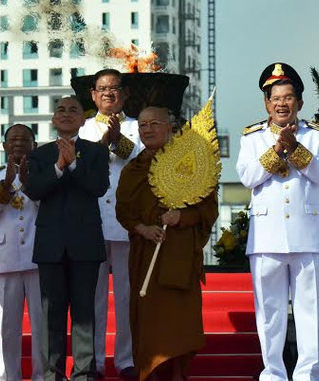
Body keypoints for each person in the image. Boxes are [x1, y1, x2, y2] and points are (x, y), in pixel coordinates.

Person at [236, 62, 319, 381]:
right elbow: (248, 177)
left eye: (288, 97)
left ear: (299, 102)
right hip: (267, 237)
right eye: (275, 98)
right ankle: (274, 374)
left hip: (307, 235)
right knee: (270, 314)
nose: (281, 104)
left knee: (309, 313)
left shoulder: (316, 136)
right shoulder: (252, 137)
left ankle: (307, 375)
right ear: (267, 104)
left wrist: (297, 150)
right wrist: (276, 151)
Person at [115, 106, 218, 381]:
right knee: (148, 319)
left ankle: (177, 374)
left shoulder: (189, 164)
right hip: (145, 254)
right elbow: (123, 211)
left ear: (170, 127)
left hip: (178, 254)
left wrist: (181, 217)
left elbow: (208, 209)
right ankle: (149, 372)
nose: (147, 130)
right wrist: (143, 229)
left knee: (178, 322)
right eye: (142, 125)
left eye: (154, 124)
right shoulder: (133, 169)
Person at [26, 97, 110, 381]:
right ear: (53, 119)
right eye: (60, 110)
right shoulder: (39, 154)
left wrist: (74, 164)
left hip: (85, 242)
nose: (66, 114)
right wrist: (59, 167)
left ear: (83, 119)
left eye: (73, 110)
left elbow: (98, 186)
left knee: (85, 312)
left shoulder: (96, 152)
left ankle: (84, 373)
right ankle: (52, 374)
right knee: (51, 312)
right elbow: (34, 189)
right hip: (50, 243)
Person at [78, 69, 141, 379]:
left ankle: (126, 359)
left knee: (127, 295)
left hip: (127, 221)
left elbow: (141, 160)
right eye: (102, 88)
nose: (108, 93)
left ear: (124, 93)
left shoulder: (138, 126)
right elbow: (82, 165)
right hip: (92, 222)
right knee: (94, 296)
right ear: (93, 95)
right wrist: (106, 141)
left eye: (114, 88)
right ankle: (96, 360)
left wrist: (118, 141)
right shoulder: (83, 127)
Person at [0, 124, 47, 381]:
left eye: (24, 140)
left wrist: (27, 181)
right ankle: (9, 376)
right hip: (5, 255)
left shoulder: (43, 175)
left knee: (41, 324)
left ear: (34, 145)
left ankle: (41, 376)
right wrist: (7, 183)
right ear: (4, 146)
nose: (18, 144)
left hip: (38, 255)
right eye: (13, 140)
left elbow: (48, 206)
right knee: (7, 326)